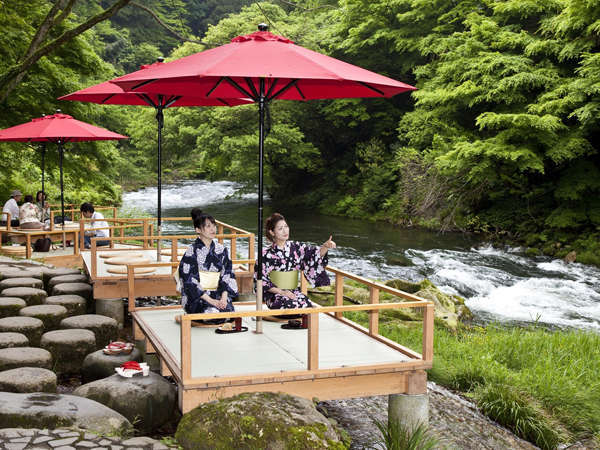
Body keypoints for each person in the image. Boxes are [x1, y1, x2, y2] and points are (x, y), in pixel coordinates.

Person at [258, 212, 336, 312]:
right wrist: (282, 292)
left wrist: (325, 246)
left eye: (286, 226)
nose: (285, 231)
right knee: (288, 305)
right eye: (280, 228)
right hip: (275, 294)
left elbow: (313, 255)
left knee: (306, 305)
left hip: (293, 291)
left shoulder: (296, 248)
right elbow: (261, 281)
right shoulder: (265, 254)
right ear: (272, 232)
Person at [177, 208, 238, 322]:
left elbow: (228, 274)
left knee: (229, 314)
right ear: (198, 230)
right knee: (213, 314)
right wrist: (211, 300)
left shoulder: (221, 249)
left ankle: (219, 307)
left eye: (214, 225)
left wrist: (223, 298)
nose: (213, 229)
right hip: (199, 298)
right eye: (208, 226)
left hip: (218, 295)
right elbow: (189, 281)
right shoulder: (192, 251)